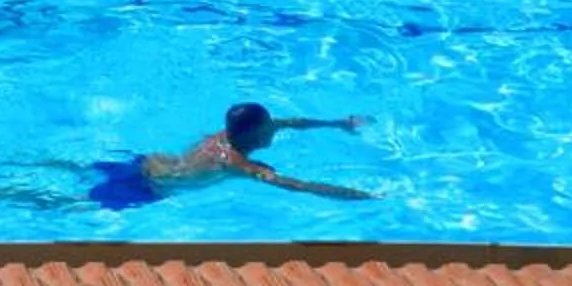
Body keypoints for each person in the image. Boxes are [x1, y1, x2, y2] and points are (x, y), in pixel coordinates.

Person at [86, 103, 373, 208]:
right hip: (152, 186)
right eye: (267, 129)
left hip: (149, 162)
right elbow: (296, 185)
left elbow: (293, 122)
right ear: (253, 134)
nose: (273, 131)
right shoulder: (235, 162)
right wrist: (354, 194)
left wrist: (340, 123)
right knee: (71, 204)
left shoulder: (232, 132)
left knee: (79, 168)